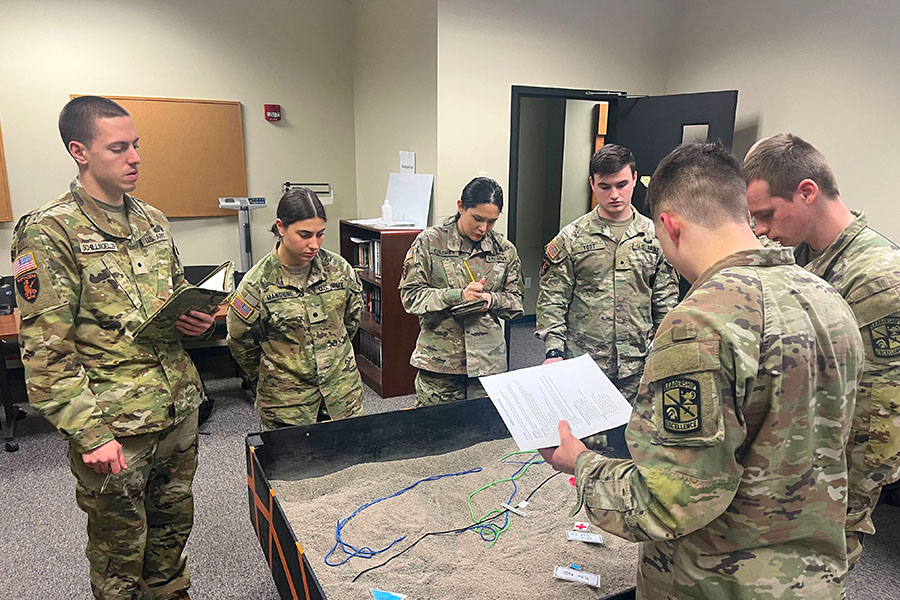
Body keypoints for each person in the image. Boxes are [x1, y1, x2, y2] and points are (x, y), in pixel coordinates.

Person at [540, 142, 864, 599]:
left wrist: (580, 464)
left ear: (668, 225)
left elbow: (669, 504)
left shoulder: (700, 324)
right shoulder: (827, 298)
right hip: (814, 577)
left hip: (720, 578)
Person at [11, 96, 217, 599]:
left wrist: (197, 324)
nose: (135, 158)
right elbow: (45, 352)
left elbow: (169, 308)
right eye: (119, 148)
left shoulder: (153, 221)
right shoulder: (49, 230)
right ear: (79, 151)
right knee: (120, 554)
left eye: (137, 145)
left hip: (175, 409)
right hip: (114, 429)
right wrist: (90, 433)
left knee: (171, 536)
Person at [743, 133, 900, 565]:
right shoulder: (814, 261)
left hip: (835, 477)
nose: (760, 229)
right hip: (801, 460)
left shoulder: (876, 277)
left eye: (766, 214)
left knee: (822, 572)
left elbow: (881, 416)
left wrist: (840, 500)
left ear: (807, 192)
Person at [536, 144, 678, 453]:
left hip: (637, 363)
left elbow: (665, 300)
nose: (614, 194)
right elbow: (553, 298)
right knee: (586, 450)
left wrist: (667, 347)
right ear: (592, 185)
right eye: (605, 186)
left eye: (622, 184)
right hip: (584, 362)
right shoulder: (572, 238)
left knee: (634, 444)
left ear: (635, 180)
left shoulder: (654, 236)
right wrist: (554, 350)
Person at [227, 187, 363, 428]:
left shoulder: (340, 271)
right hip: (287, 405)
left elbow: (351, 321)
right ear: (280, 227)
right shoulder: (256, 283)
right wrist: (271, 374)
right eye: (304, 234)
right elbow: (240, 341)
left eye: (320, 234)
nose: (314, 244)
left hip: (341, 396)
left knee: (348, 463)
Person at [399, 176, 524, 406]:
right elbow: (411, 297)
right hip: (441, 363)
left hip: (488, 364)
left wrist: (491, 300)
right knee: (436, 433)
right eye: (477, 218)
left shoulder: (504, 250)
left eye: (492, 221)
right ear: (460, 207)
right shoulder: (430, 242)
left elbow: (516, 303)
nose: (483, 228)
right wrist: (457, 296)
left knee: (487, 437)